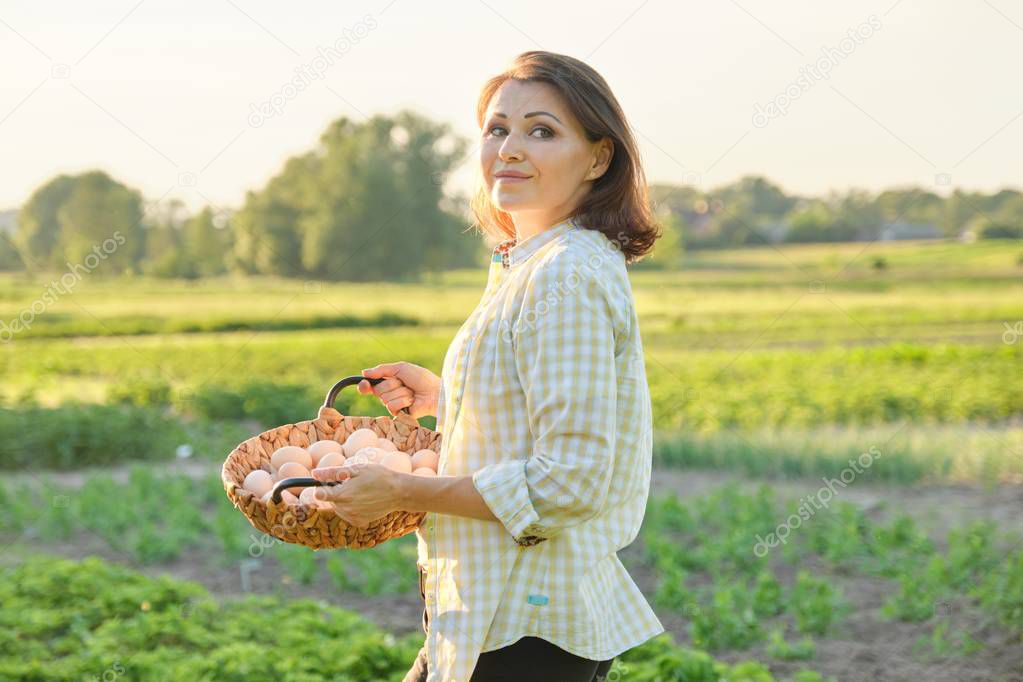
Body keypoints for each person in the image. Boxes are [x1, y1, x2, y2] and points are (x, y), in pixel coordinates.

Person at [312, 50, 665, 682]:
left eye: (542, 131)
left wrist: (403, 490)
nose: (510, 148)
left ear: (598, 157)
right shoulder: (534, 263)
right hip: (490, 610)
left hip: (527, 621)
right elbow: (541, 419)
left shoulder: (566, 273)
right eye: (498, 128)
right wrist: (449, 400)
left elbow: (571, 480)